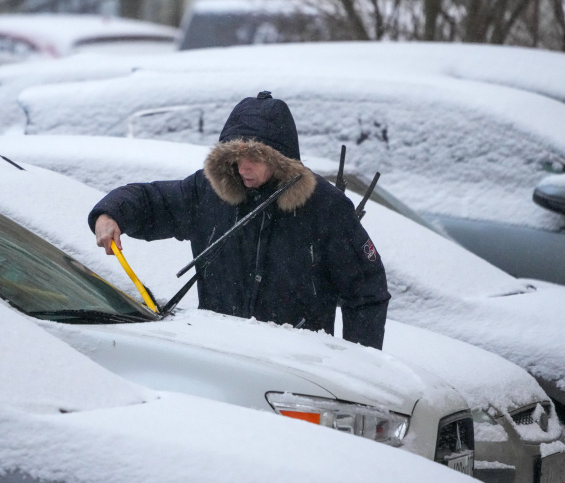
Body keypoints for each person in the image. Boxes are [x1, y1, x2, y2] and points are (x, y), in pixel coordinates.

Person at [90, 91, 391, 349]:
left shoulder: (325, 208)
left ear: (280, 160)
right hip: (222, 354)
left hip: (301, 368)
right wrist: (111, 214)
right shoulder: (208, 194)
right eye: (235, 157)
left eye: (255, 158)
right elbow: (153, 200)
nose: (243, 167)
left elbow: (367, 292)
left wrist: (359, 367)